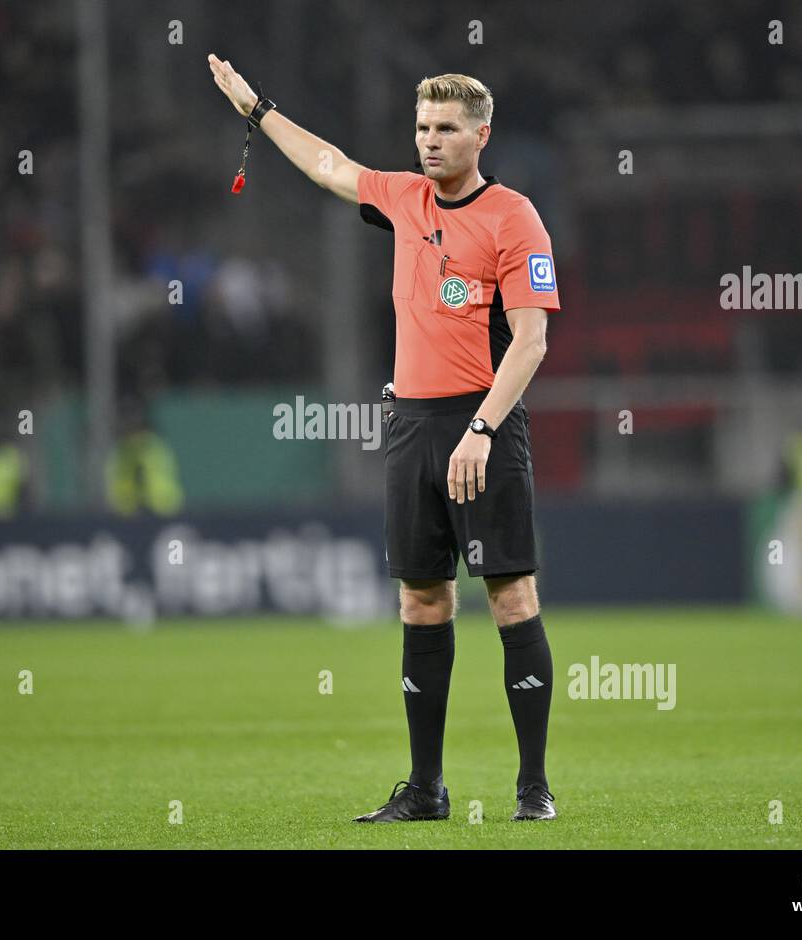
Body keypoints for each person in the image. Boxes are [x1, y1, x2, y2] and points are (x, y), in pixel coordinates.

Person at [209, 56, 561, 822]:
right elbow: (329, 164)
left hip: (482, 423)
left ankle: (533, 788)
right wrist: (256, 109)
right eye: (422, 128)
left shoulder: (514, 217)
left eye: (444, 129)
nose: (429, 142)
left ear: (481, 135)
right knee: (422, 602)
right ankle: (427, 789)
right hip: (411, 426)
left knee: (511, 595)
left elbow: (530, 343)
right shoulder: (402, 198)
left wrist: (481, 430)